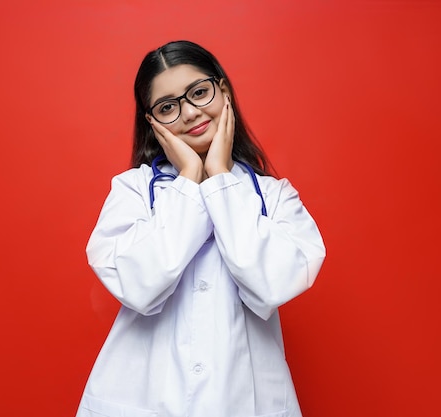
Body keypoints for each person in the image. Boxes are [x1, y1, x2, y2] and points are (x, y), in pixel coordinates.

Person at [76, 40, 326, 417]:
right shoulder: (132, 191)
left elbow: (272, 284)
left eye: (198, 92)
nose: (190, 113)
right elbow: (140, 286)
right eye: (167, 107)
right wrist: (191, 178)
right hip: (140, 399)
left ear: (222, 89)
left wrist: (220, 179)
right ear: (152, 122)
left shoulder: (274, 197)